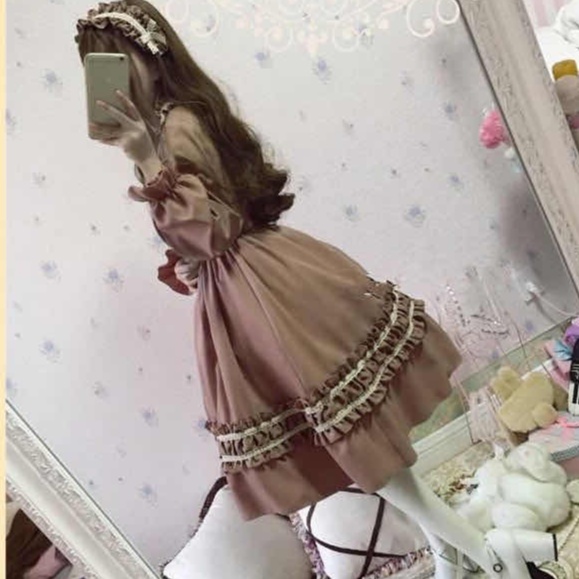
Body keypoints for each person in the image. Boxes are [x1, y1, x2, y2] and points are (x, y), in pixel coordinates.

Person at [75, 3, 558, 578]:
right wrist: (185, 257)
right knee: (355, 443)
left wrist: (148, 163)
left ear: (152, 56)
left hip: (265, 296)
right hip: (246, 289)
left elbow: (211, 229)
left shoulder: (175, 126)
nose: (109, 75)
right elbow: (211, 224)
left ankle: (485, 554)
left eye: (116, 58)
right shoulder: (165, 129)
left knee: (355, 442)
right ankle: (451, 551)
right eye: (95, 65)